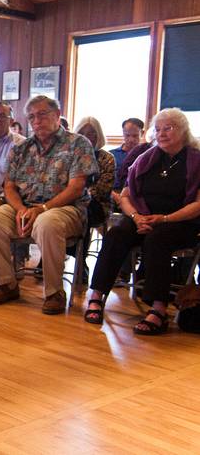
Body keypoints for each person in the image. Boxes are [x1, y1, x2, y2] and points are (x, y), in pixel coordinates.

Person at [0, 95, 98, 314]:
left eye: (42, 114)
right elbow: (9, 187)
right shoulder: (22, 148)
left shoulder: (77, 144)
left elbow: (76, 188)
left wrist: (42, 208)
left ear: (57, 115)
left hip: (65, 210)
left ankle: (54, 292)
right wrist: (21, 209)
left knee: (47, 222)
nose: (36, 121)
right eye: (32, 116)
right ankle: (6, 283)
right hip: (26, 208)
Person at [85, 108, 200, 333]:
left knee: (157, 239)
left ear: (184, 130)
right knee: (116, 233)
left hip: (181, 221)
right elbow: (126, 196)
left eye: (169, 128)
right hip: (143, 216)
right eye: (158, 129)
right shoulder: (145, 157)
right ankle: (97, 296)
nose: (162, 133)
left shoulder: (195, 160)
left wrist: (165, 218)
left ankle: (158, 309)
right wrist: (136, 217)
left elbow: (197, 205)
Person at [75, 116, 114, 226]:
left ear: (98, 135)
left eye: (91, 133)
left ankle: (82, 243)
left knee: (83, 211)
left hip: (97, 204)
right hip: (69, 200)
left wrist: (76, 193)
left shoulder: (107, 158)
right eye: (82, 133)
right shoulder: (70, 156)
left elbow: (103, 191)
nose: (86, 137)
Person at [110, 118, 144, 191]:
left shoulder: (147, 155)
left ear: (142, 133)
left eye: (135, 136)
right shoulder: (111, 155)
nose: (131, 139)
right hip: (114, 195)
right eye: (127, 135)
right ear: (123, 133)